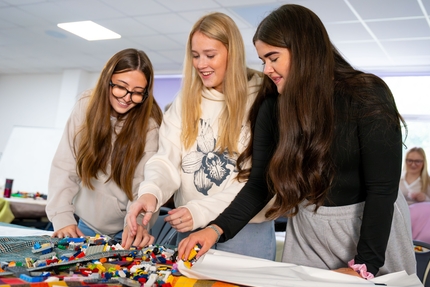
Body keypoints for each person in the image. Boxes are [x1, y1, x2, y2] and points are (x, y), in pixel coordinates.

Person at [178, 4, 416, 278]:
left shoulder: (367, 95)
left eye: (273, 57)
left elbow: (382, 191)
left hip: (371, 228)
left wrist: (365, 265)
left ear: (303, 50)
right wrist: (215, 228)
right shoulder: (271, 105)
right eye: (263, 60)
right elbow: (260, 185)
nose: (266, 69)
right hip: (309, 229)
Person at [123, 12, 277, 260]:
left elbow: (257, 179)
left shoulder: (264, 96)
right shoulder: (186, 99)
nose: (201, 64)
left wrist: (201, 211)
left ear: (232, 52)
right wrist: (150, 192)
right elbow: (167, 158)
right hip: (190, 227)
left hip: (245, 231)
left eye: (210, 55)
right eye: (195, 56)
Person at [46, 48, 163, 248]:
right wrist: (62, 217)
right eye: (121, 87)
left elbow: (144, 183)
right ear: (107, 80)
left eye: (137, 93)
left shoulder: (150, 125)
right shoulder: (86, 106)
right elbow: (65, 165)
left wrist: (136, 223)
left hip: (124, 231)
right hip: (80, 224)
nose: (127, 98)